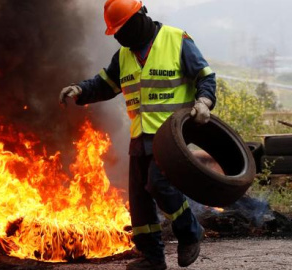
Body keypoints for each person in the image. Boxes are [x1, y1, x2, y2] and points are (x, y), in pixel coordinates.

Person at [59, 0, 216, 269]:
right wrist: (80, 90)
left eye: (124, 28)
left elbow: (205, 77)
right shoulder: (123, 56)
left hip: (169, 137)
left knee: (159, 185)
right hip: (139, 139)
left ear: (140, 16)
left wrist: (204, 102)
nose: (122, 37)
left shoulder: (176, 40)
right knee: (140, 204)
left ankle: (190, 232)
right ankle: (152, 259)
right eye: (117, 32)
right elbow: (104, 84)